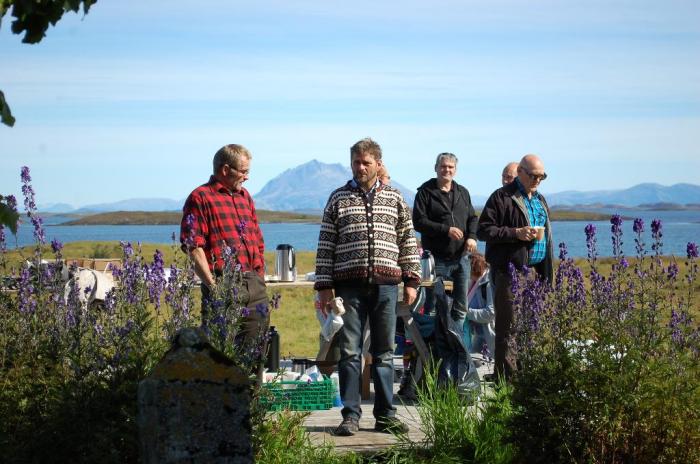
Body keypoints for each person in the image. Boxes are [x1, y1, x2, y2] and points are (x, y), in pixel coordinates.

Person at [314, 137, 421, 436]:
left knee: (385, 352)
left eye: (366, 163)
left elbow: (407, 241)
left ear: (378, 164)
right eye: (356, 163)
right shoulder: (338, 198)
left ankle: (386, 414)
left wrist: (411, 280)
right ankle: (350, 415)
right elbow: (325, 244)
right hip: (349, 288)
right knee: (349, 351)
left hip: (386, 287)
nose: (360, 168)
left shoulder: (395, 198)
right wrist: (324, 285)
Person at [180, 144, 268, 376]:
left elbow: (257, 237)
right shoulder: (200, 197)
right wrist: (213, 285)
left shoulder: (245, 196)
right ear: (225, 169)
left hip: (254, 285)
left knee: (255, 354)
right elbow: (193, 246)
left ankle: (252, 409)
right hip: (223, 284)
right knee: (220, 355)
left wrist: (259, 275)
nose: (247, 177)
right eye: (243, 171)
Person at [477, 154, 553, 380]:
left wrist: (546, 274)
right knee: (508, 327)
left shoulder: (540, 199)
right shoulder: (502, 197)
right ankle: (507, 380)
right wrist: (515, 233)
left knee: (530, 326)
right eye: (534, 176)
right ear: (520, 172)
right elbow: (484, 230)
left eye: (542, 176)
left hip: (535, 271)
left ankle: (526, 375)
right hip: (510, 273)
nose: (538, 180)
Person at [412, 152, 479, 392]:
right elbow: (418, 222)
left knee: (460, 308)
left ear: (455, 170)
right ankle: (436, 359)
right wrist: (445, 230)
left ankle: (457, 355)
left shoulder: (462, 192)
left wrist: (471, 237)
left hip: (461, 259)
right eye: (443, 166)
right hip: (436, 260)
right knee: (434, 310)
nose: (446, 170)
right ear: (435, 168)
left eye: (450, 167)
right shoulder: (425, 193)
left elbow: (472, 218)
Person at [464, 252, 495, 358]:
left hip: (490, 338)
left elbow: (490, 313)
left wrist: (466, 312)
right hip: (479, 335)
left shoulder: (488, 283)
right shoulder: (474, 281)